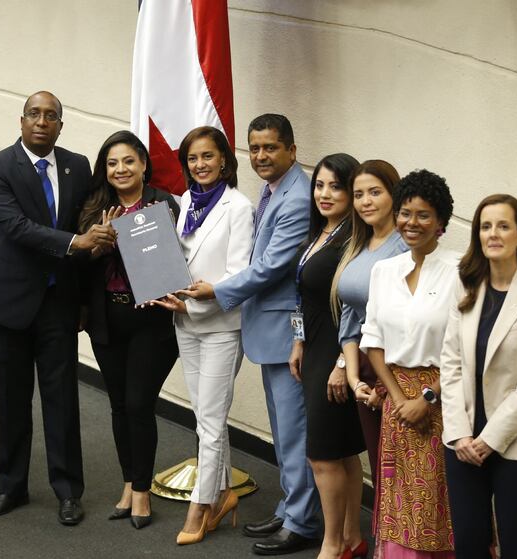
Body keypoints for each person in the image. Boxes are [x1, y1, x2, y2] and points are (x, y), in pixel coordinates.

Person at [182, 114, 321, 555]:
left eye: (270, 148)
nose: (261, 156)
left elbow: (270, 266)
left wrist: (216, 290)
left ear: (292, 151)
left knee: (294, 430)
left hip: (285, 331)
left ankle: (302, 522)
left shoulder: (297, 197)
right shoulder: (273, 189)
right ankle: (290, 507)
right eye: (255, 148)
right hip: (267, 329)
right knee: (283, 429)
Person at [0, 91, 115, 526]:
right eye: (34, 114)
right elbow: (15, 227)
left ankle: (68, 490)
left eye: (50, 116)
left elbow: (91, 220)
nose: (41, 121)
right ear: (20, 121)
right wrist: (77, 243)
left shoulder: (76, 166)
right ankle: (11, 486)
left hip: (59, 304)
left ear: (60, 125)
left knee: (62, 401)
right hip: (11, 304)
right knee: (12, 400)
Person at [441, 194, 517, 558]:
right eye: (485, 226)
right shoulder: (466, 286)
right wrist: (460, 433)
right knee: (470, 543)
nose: (493, 234)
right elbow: (450, 364)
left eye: (503, 226)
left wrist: (489, 439)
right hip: (463, 441)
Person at [152, 126, 254, 544]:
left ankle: (200, 505)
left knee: (209, 422)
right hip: (185, 323)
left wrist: (193, 303)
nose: (200, 165)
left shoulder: (239, 207)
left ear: (225, 160)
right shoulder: (184, 202)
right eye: (193, 159)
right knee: (206, 417)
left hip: (220, 328)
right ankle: (225, 492)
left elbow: (238, 274)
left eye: (208, 157)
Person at [78, 130, 180, 530]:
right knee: (119, 405)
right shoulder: (93, 209)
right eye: (112, 163)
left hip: (151, 322)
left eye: (128, 161)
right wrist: (96, 246)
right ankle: (127, 483)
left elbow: (176, 259)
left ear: (142, 165)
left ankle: (142, 491)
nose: (120, 169)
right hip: (107, 319)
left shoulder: (162, 203)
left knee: (139, 404)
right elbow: (77, 267)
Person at [359, 169, 458, 557]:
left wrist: (427, 398)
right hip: (397, 404)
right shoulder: (384, 271)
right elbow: (373, 340)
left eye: (423, 215)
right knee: (398, 495)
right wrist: (399, 399)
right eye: (404, 213)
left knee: (438, 498)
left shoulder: (460, 272)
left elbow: (463, 351)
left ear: (441, 224)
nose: (411, 223)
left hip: (443, 402)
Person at [287, 153, 366, 559]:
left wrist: (340, 364)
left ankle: (332, 545)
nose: (324, 193)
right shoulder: (321, 233)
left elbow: (359, 310)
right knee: (341, 451)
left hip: (338, 355)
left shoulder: (355, 242)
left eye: (336, 186)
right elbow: (306, 296)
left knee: (322, 455)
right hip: (314, 347)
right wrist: (298, 341)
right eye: (319, 185)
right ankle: (351, 538)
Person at [331, 160, 408, 537]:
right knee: (378, 465)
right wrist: (351, 371)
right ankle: (385, 543)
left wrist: (377, 380)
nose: (364, 201)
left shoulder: (405, 247)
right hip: (361, 364)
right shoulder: (359, 244)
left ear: (394, 195)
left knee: (399, 466)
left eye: (375, 192)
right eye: (358, 194)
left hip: (393, 367)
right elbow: (349, 317)